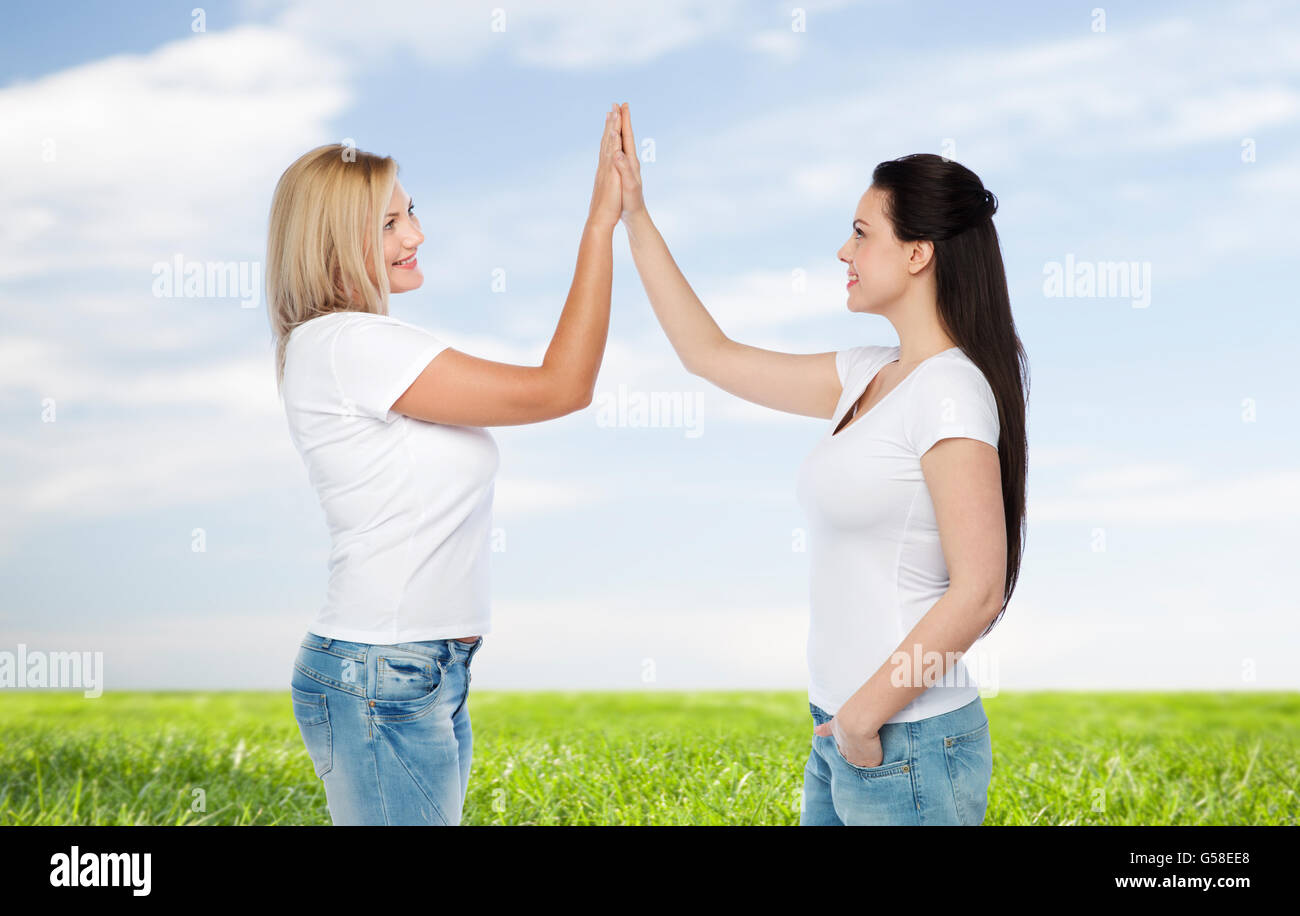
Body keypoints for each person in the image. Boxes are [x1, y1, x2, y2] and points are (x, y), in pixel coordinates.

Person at [610, 103, 1028, 825]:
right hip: (842, 730)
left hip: (907, 740)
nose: (844, 251)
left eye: (862, 234)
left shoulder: (951, 391)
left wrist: (868, 715)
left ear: (918, 253)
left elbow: (981, 589)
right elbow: (710, 355)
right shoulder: (869, 374)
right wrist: (636, 216)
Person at [267, 105, 625, 825]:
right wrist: (598, 225)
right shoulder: (352, 345)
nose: (416, 235)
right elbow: (562, 387)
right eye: (389, 225)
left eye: (411, 214)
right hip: (384, 671)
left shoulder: (350, 346)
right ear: (337, 244)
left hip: (416, 669)